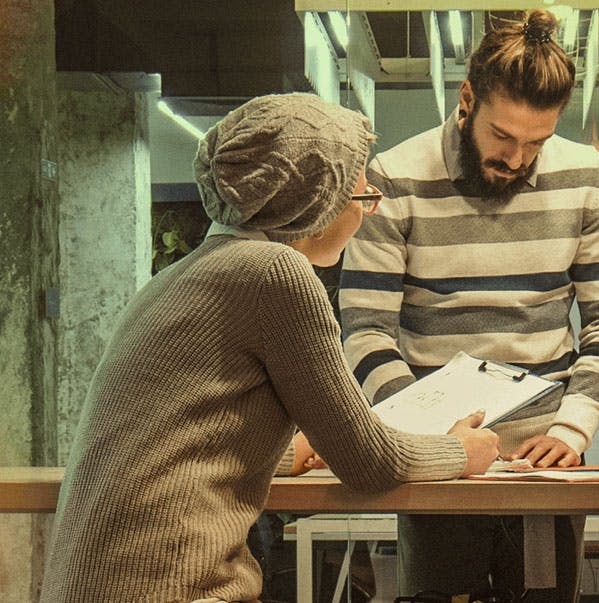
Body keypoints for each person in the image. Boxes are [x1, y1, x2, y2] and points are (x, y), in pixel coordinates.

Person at [40, 93, 500, 603]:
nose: (370, 205)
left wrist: (301, 448)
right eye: (362, 190)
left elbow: (191, 439)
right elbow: (371, 462)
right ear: (318, 200)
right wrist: (462, 450)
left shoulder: (173, 279)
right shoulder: (275, 272)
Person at [339, 9, 599, 602]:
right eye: (503, 137)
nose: (518, 159)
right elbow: (366, 331)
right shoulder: (394, 177)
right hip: (438, 460)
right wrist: (431, 436)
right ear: (467, 99)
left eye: (536, 143)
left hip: (543, 460)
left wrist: (573, 431)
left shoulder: (586, 177)